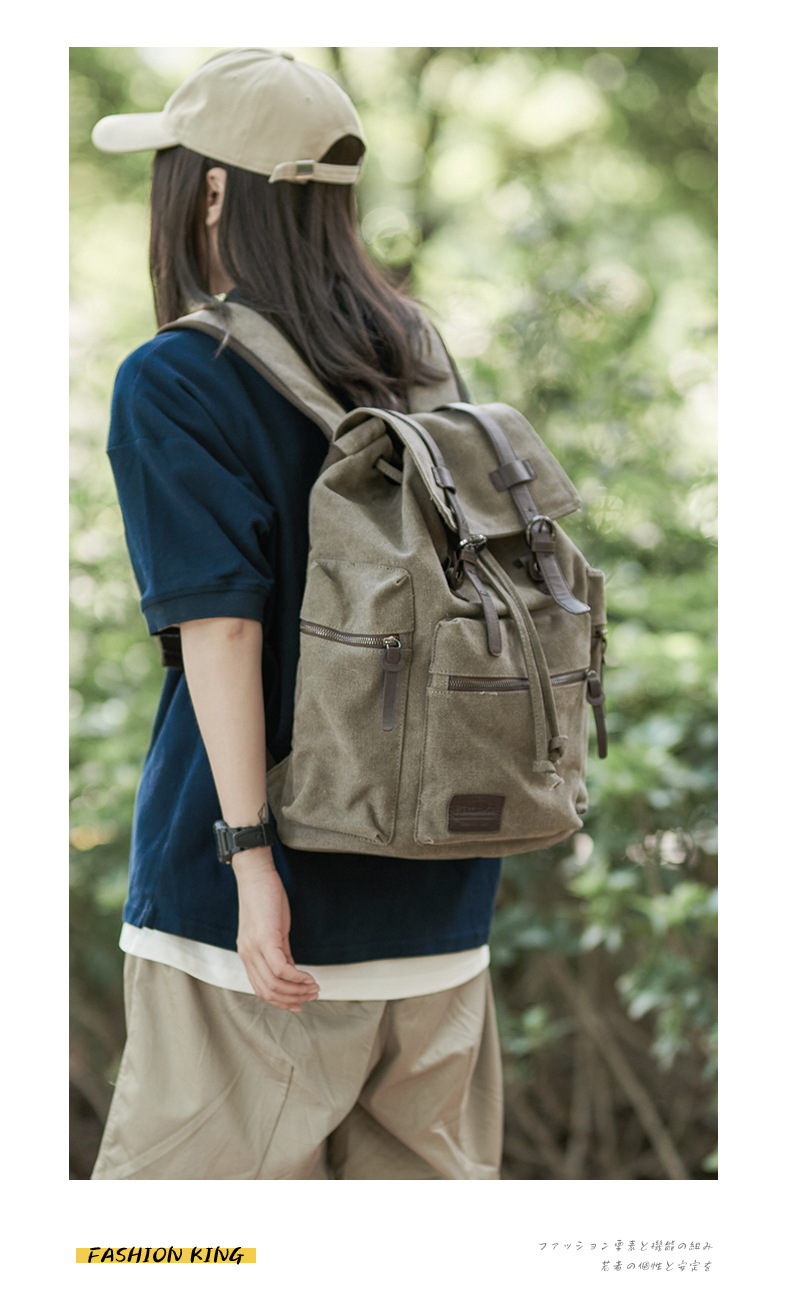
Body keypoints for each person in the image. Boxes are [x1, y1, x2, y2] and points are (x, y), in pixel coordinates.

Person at [88, 46, 504, 1181]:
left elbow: (223, 628)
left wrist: (249, 864)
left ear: (214, 190)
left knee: (171, 1255)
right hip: (440, 903)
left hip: (256, 929)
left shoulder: (178, 376)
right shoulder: (419, 356)